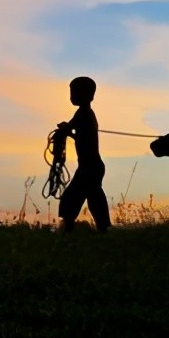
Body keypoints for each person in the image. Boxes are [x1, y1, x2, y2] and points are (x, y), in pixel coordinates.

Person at [57, 76, 111, 232]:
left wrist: (65, 131)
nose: (72, 96)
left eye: (74, 92)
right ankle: (103, 230)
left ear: (87, 95)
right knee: (93, 197)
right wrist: (68, 131)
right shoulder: (84, 113)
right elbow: (74, 130)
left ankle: (68, 231)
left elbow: (71, 128)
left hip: (89, 166)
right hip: (91, 166)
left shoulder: (84, 113)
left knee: (73, 197)